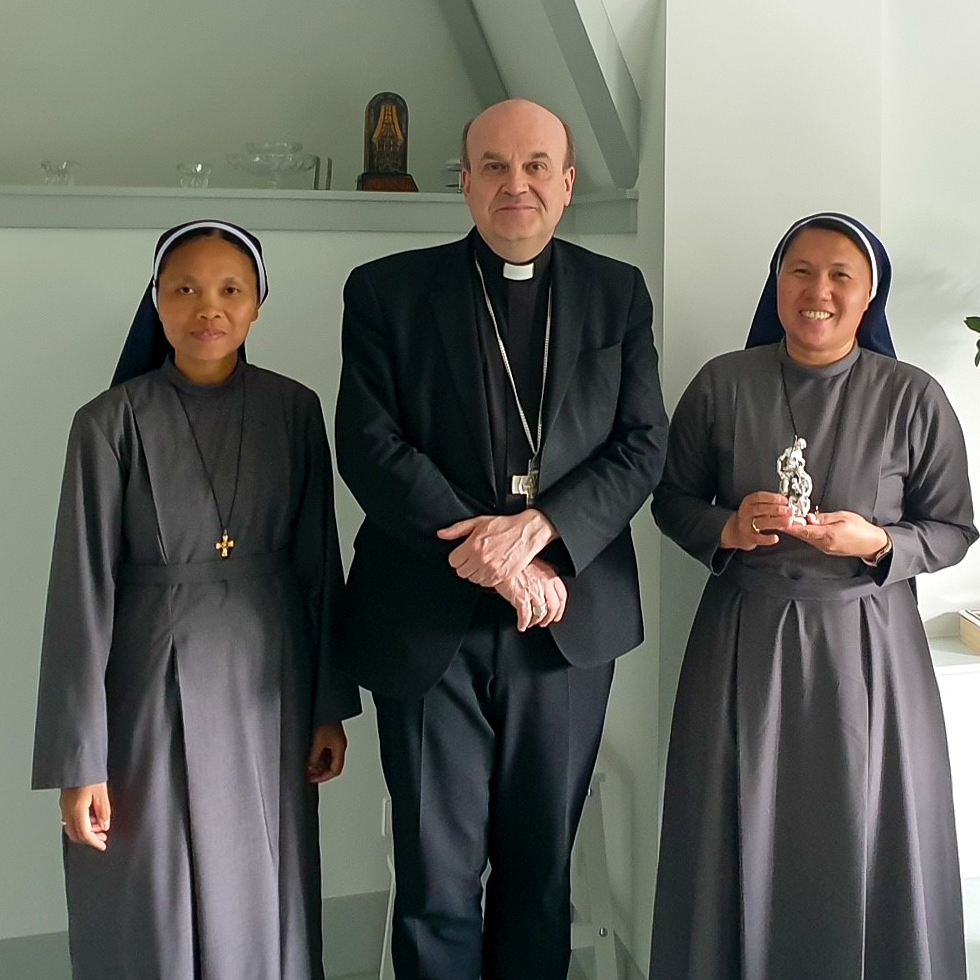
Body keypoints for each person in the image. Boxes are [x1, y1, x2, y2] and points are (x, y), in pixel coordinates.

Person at [334, 99, 667, 979]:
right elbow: (368, 446)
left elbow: (642, 446)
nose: (513, 184)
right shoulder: (386, 291)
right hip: (425, 619)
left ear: (566, 184)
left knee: (540, 876)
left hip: (566, 626)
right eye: (492, 166)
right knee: (436, 881)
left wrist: (542, 531)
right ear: (466, 181)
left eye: (533, 167)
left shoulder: (616, 293)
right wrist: (488, 555)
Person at [650, 212, 977, 980]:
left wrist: (878, 544)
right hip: (745, 639)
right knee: (739, 825)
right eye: (800, 271)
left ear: (870, 297)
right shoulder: (723, 383)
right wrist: (729, 526)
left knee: (869, 831)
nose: (818, 291)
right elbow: (670, 501)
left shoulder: (912, 396)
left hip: (870, 646)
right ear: (776, 283)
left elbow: (954, 528)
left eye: (840, 276)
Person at [32, 219, 360, 980]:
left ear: (256, 307)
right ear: (156, 302)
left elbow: (318, 563)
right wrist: (79, 761)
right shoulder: (108, 423)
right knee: (151, 887)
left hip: (268, 686)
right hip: (143, 686)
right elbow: (78, 594)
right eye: (184, 289)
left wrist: (326, 705)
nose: (206, 307)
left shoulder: (295, 410)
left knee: (263, 881)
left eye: (229, 290)